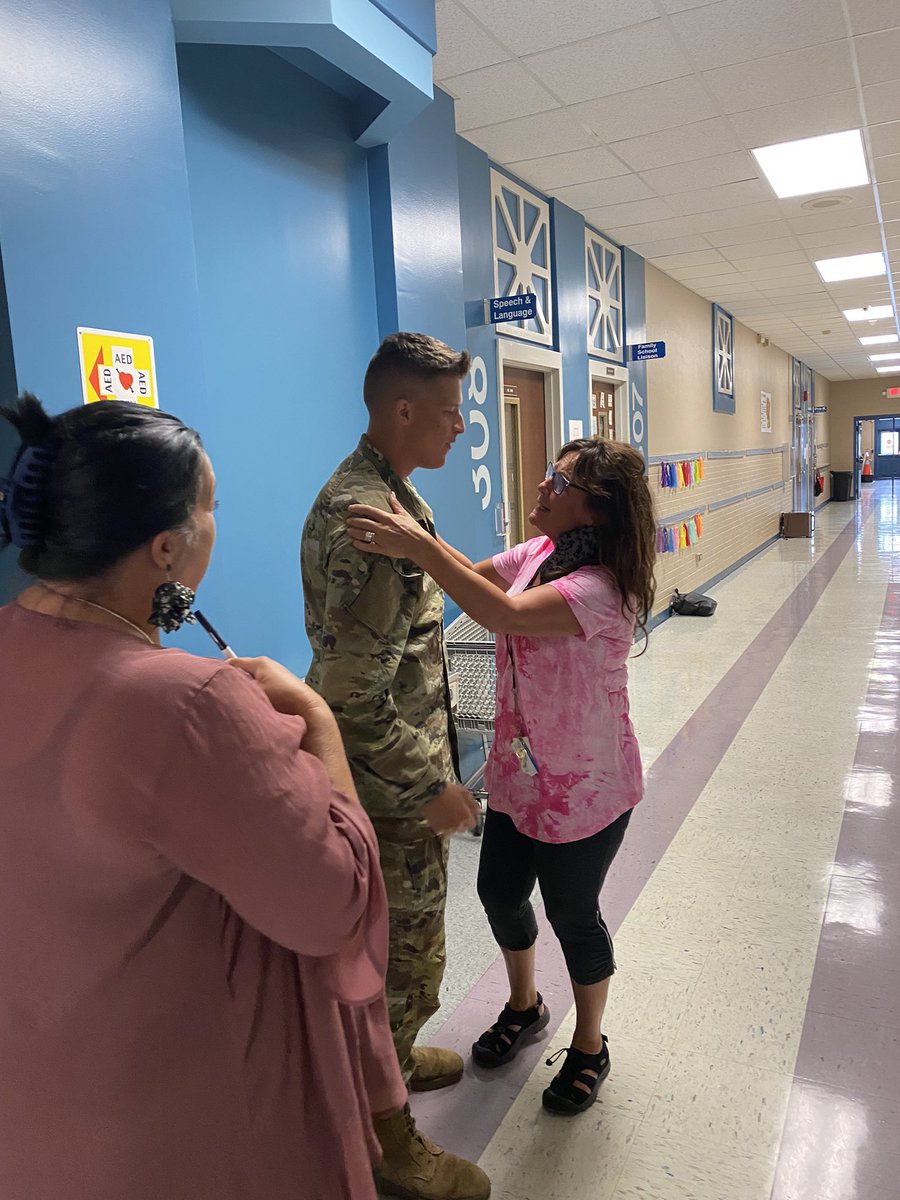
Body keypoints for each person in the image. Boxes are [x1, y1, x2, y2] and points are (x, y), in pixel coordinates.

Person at [0, 394, 409, 1200]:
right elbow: (331, 901)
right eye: (211, 504)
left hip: (39, 1104)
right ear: (165, 548)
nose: (217, 523)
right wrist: (319, 727)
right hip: (186, 1123)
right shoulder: (184, 703)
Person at [348, 436, 656, 1117]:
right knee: (498, 892)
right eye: (548, 472)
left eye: (560, 480)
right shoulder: (541, 555)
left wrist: (417, 546)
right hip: (521, 777)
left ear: (596, 511)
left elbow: (501, 614)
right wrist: (415, 540)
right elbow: (473, 576)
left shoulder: (601, 589)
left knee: (573, 915)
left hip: (587, 786)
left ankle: (589, 1045)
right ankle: (525, 1005)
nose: (543, 487)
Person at [301, 333, 490, 1200]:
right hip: (389, 791)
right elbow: (351, 695)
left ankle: (400, 1061)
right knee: (401, 961)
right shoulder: (373, 522)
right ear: (403, 410)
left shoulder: (387, 498)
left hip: (390, 775)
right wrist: (432, 785)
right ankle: (389, 1145)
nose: (461, 427)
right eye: (450, 412)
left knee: (406, 956)